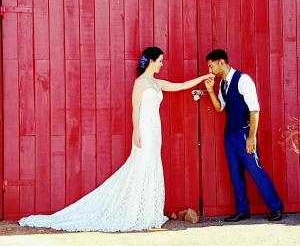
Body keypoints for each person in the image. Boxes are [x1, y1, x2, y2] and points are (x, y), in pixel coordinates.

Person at [19, 46, 213, 232]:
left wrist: (204, 77)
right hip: (144, 129)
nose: (162, 64)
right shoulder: (140, 83)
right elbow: (135, 109)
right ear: (151, 61)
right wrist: (136, 131)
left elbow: (181, 86)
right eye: (160, 61)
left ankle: (149, 212)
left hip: (156, 131)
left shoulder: (157, 83)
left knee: (153, 165)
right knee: (141, 166)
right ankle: (136, 211)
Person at [204, 49, 284, 222]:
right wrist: (210, 91)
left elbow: (254, 110)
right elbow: (220, 107)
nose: (210, 71)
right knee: (235, 173)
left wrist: (251, 136)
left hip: (243, 133)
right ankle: (243, 210)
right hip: (230, 135)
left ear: (221, 62)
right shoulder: (222, 84)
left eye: (211, 67)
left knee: (256, 171)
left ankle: (276, 207)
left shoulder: (243, 80)